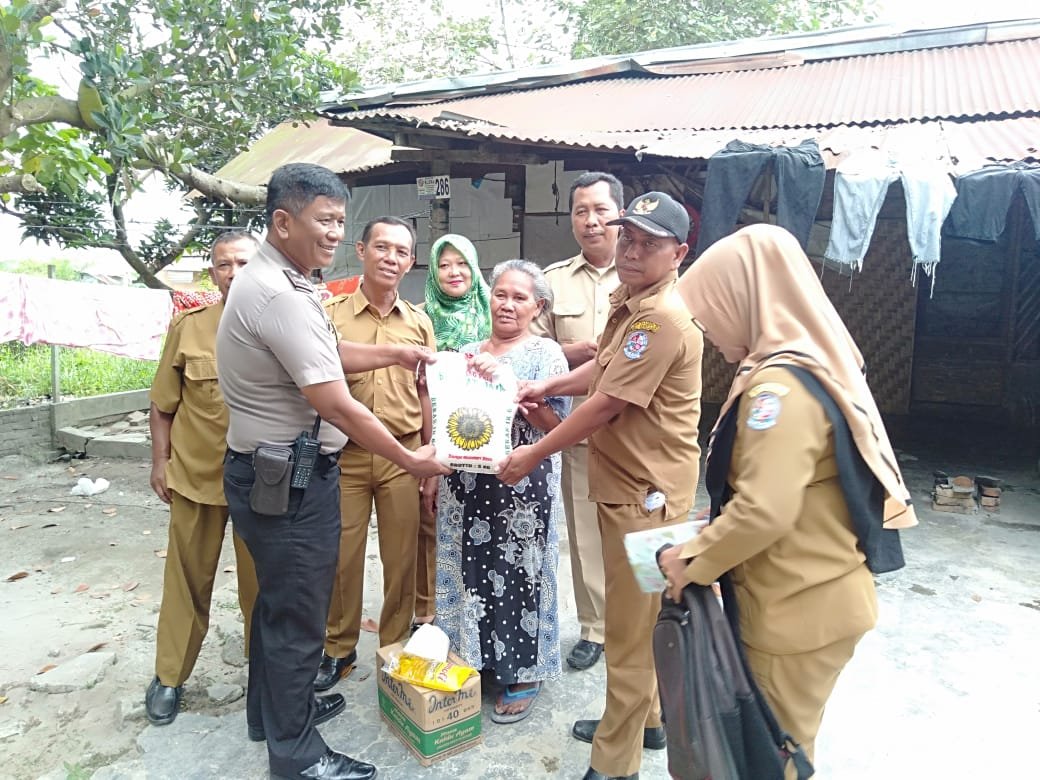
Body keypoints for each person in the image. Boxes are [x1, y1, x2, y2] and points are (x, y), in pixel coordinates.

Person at [217, 162, 448, 780]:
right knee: (298, 616)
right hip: (288, 479)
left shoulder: (282, 282)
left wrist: (395, 352)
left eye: (341, 221)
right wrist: (411, 458)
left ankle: (273, 713)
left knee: (278, 603)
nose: (334, 234)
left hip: (269, 470)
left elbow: (325, 350)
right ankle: (297, 755)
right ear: (282, 221)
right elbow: (337, 403)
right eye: (324, 221)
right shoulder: (278, 293)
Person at [661, 223, 918, 771]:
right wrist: (717, 521)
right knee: (792, 744)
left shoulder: (777, 389)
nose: (707, 328)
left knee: (772, 758)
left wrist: (689, 560)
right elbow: (782, 491)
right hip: (818, 595)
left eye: (711, 311)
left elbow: (765, 511)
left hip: (793, 610)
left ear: (744, 299)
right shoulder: (811, 364)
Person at [498, 191, 702, 780]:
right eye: (628, 238)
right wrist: (549, 386)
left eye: (648, 244)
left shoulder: (660, 318)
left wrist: (534, 452)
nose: (631, 251)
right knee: (644, 615)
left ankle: (616, 762)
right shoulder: (634, 303)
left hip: (646, 500)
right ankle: (648, 721)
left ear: (679, 253)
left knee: (630, 633)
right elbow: (604, 367)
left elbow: (607, 402)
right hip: (638, 490)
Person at [432, 259, 570, 725]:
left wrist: (506, 383)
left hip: (522, 488)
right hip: (465, 486)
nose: (507, 305)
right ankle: (476, 658)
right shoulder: (468, 351)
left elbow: (556, 425)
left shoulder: (547, 355)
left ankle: (523, 670)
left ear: (538, 307)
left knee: (519, 574)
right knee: (470, 570)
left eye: (520, 297)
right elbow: (446, 416)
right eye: (500, 294)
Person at [315, 216, 436, 691]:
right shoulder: (330, 315)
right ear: (361, 250)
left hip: (403, 454)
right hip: (343, 455)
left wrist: (429, 461)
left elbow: (426, 392)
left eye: (401, 251)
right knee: (341, 558)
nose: (391, 258)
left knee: (402, 559)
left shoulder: (419, 322)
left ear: (411, 262)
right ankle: (339, 648)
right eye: (382, 247)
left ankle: (394, 646)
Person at [145, 230, 260, 726]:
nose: (234, 272)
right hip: (197, 477)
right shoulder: (188, 328)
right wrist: (160, 461)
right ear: (212, 274)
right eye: (224, 264)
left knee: (264, 584)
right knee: (187, 580)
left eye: (244, 263)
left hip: (263, 484)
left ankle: (268, 676)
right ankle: (170, 676)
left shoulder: (280, 325)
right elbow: (162, 405)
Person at [530, 171, 622, 671]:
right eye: (581, 211)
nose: (591, 221)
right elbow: (532, 349)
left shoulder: (641, 272)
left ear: (619, 214)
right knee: (586, 536)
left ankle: (646, 618)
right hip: (580, 431)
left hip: (638, 432)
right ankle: (596, 628)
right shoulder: (554, 280)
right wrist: (573, 353)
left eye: (600, 210)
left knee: (640, 530)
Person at [414, 233, 492, 629]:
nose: (453, 272)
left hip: (484, 439)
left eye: (462, 263)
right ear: (432, 270)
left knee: (480, 522)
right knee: (429, 522)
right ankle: (428, 609)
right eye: (444, 265)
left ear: (474, 267)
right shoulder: (420, 317)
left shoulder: (493, 312)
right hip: (430, 432)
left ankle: (477, 609)